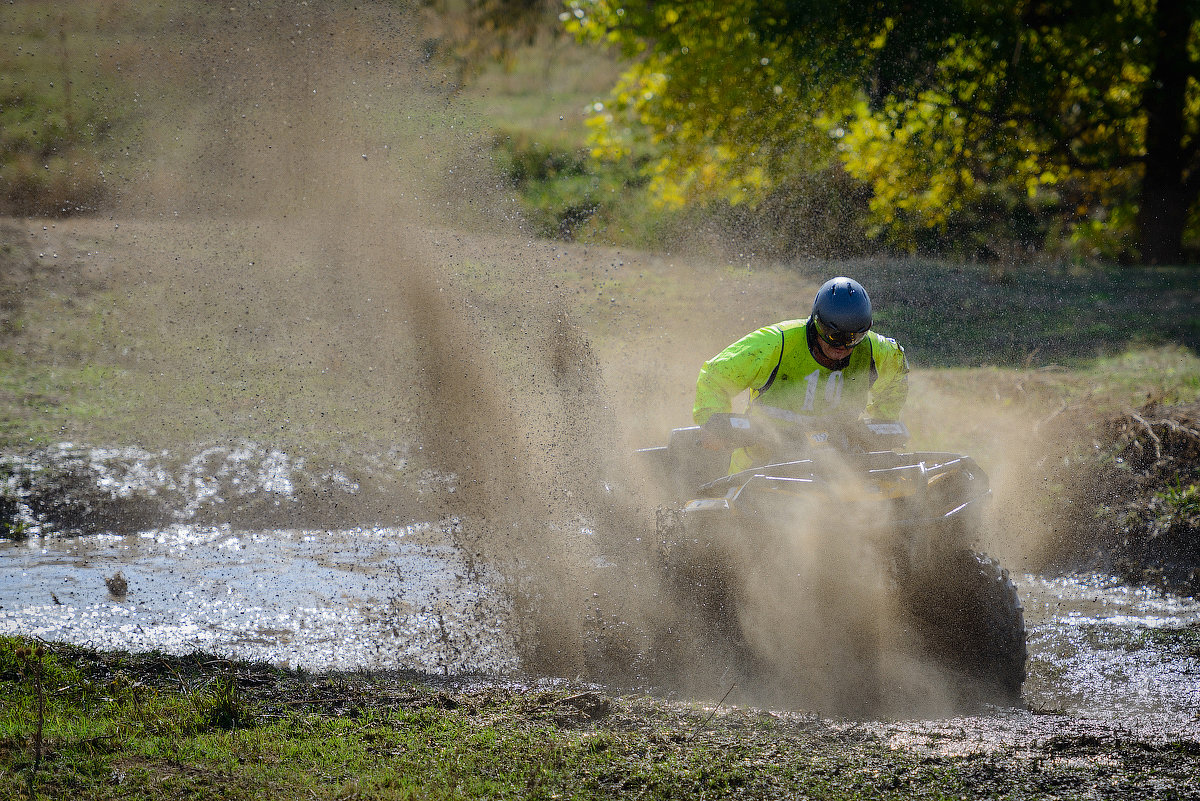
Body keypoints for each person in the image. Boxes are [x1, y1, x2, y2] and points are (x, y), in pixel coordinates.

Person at [693, 276, 909, 472]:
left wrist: (883, 422)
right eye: (833, 335)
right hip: (761, 465)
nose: (842, 345)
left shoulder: (878, 351)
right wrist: (712, 422)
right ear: (816, 322)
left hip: (842, 463)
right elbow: (715, 374)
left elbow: (897, 374)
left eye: (854, 338)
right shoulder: (774, 344)